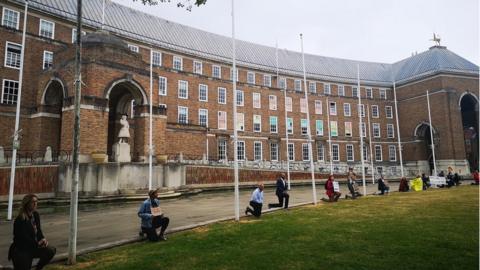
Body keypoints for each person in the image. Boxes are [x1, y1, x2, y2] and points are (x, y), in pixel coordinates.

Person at [9, 194, 56, 270]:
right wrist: (37, 243)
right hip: (21, 250)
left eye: (36, 201)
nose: (35, 204)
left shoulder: (35, 215)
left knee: (51, 250)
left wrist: (43, 239)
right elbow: (23, 238)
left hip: (33, 247)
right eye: (33, 202)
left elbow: (38, 231)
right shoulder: (20, 219)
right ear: (27, 204)